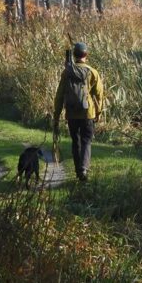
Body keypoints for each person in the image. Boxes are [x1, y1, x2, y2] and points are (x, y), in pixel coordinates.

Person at [52, 41, 104, 182]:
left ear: (74, 55)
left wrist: (56, 116)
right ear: (86, 55)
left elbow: (59, 95)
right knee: (86, 141)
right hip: (88, 113)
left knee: (76, 141)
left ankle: (78, 170)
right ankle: (84, 169)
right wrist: (98, 113)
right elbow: (99, 95)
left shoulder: (67, 72)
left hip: (71, 114)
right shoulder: (92, 72)